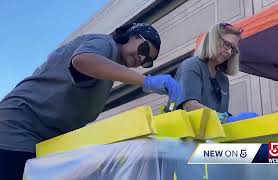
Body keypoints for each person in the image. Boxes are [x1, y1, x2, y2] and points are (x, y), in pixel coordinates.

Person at [0, 23, 182, 179]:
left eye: (148, 62)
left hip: (42, 138)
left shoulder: (107, 75)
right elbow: (82, 61)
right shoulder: (105, 44)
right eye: (143, 50)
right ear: (132, 35)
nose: (142, 59)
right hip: (19, 127)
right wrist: (146, 80)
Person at [174, 23, 258, 123]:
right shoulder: (192, 65)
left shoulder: (223, 79)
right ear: (213, 40)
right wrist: (225, 119)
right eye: (227, 44)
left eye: (233, 49)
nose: (229, 52)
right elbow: (190, 106)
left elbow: (220, 114)